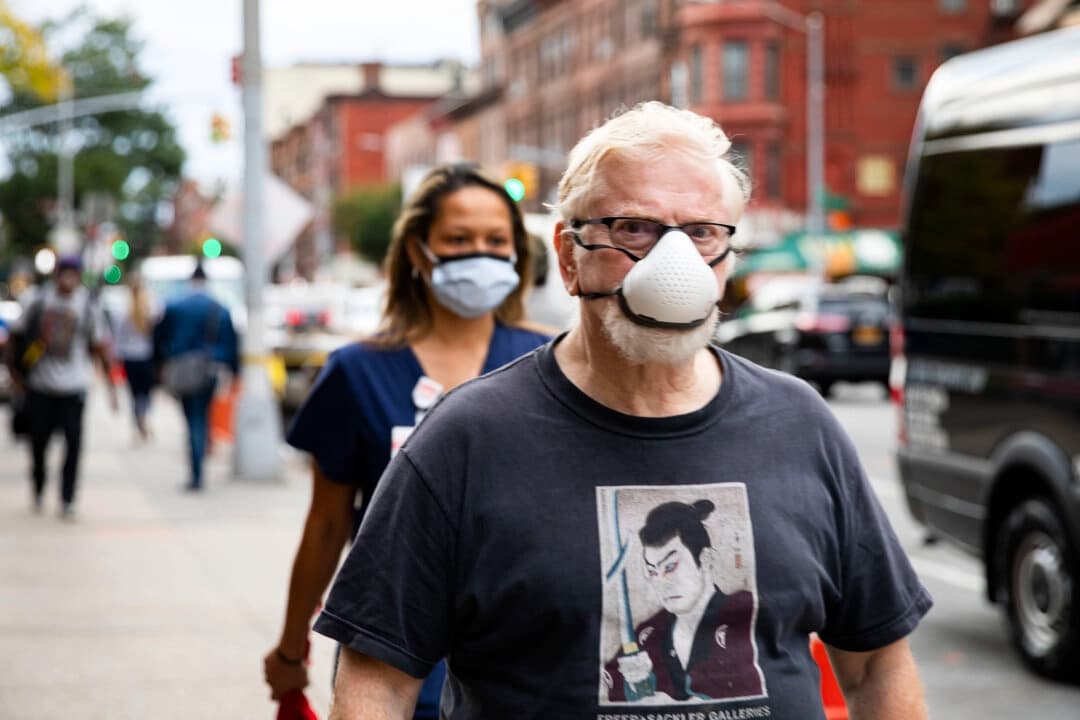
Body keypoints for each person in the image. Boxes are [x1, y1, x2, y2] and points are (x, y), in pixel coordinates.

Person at [314, 102, 932, 719]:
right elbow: (378, 680)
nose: (675, 263)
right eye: (633, 228)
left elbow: (877, 663)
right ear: (568, 256)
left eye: (701, 232)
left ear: (727, 258)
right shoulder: (466, 439)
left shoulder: (801, 425)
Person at [262, 162, 551, 718]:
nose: (481, 255)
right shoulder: (357, 371)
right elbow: (326, 524)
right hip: (397, 662)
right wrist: (292, 646)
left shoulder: (555, 363)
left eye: (497, 241)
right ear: (420, 252)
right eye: (459, 240)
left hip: (530, 660)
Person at [602, 498, 762, 703]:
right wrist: (632, 687)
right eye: (652, 571)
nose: (661, 582)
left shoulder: (743, 612)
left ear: (705, 559)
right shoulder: (647, 634)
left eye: (670, 567)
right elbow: (610, 691)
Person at [4, 254, 117, 518]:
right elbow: (14, 338)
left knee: (74, 445)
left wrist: (112, 388)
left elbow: (100, 347)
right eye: (64, 272)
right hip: (40, 387)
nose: (68, 278)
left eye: (73, 273)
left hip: (74, 388)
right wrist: (15, 375)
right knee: (38, 445)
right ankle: (39, 484)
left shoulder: (87, 305)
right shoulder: (37, 300)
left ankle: (67, 497)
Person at [152, 261, 239, 491]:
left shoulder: (175, 305)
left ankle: (196, 473)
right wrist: (234, 371)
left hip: (183, 370)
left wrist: (160, 364)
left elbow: (158, 336)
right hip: (210, 370)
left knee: (192, 420)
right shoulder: (219, 307)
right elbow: (231, 342)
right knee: (202, 417)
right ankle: (199, 468)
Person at [111, 273, 158, 442]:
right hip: (145, 357)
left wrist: (115, 358)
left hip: (129, 358)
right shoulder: (150, 310)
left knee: (133, 393)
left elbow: (117, 339)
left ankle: (137, 423)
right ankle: (143, 417)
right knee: (145, 393)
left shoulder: (123, 312)